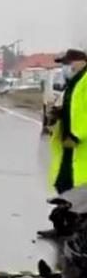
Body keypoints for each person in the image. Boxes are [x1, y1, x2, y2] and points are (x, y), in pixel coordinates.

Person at [49, 49, 87, 196]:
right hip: (69, 145)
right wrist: (58, 115)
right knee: (64, 186)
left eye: (68, 63)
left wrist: (77, 135)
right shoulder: (73, 83)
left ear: (81, 62)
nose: (65, 68)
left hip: (80, 145)